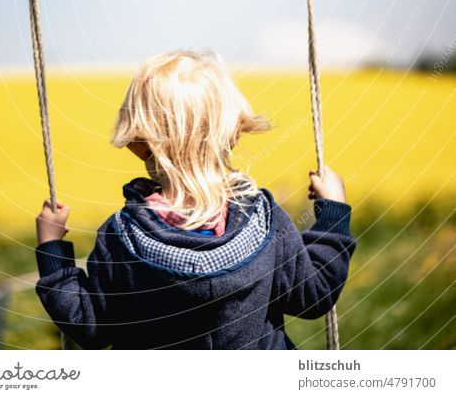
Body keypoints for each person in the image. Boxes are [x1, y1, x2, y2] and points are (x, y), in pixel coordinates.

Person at [35, 49, 356, 349]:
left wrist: (52, 249)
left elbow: (90, 326)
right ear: (234, 134)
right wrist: (333, 212)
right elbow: (313, 295)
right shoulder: (265, 222)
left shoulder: (122, 237)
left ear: (137, 141)